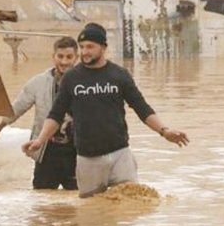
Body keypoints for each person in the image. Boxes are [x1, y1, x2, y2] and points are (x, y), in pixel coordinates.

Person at [22, 23, 189, 198]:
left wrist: (164, 131)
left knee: (131, 204)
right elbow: (55, 115)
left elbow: (142, 108)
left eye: (90, 47)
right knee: (91, 212)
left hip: (120, 154)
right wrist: (40, 141)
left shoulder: (119, 75)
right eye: (82, 47)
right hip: (87, 159)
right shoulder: (71, 78)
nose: (85, 51)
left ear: (103, 47)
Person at [0, 36, 79, 190]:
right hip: (46, 151)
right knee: (42, 199)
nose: (64, 62)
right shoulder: (38, 82)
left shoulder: (85, 82)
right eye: (60, 56)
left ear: (76, 58)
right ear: (53, 57)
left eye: (69, 57)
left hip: (76, 151)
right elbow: (17, 108)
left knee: (79, 199)